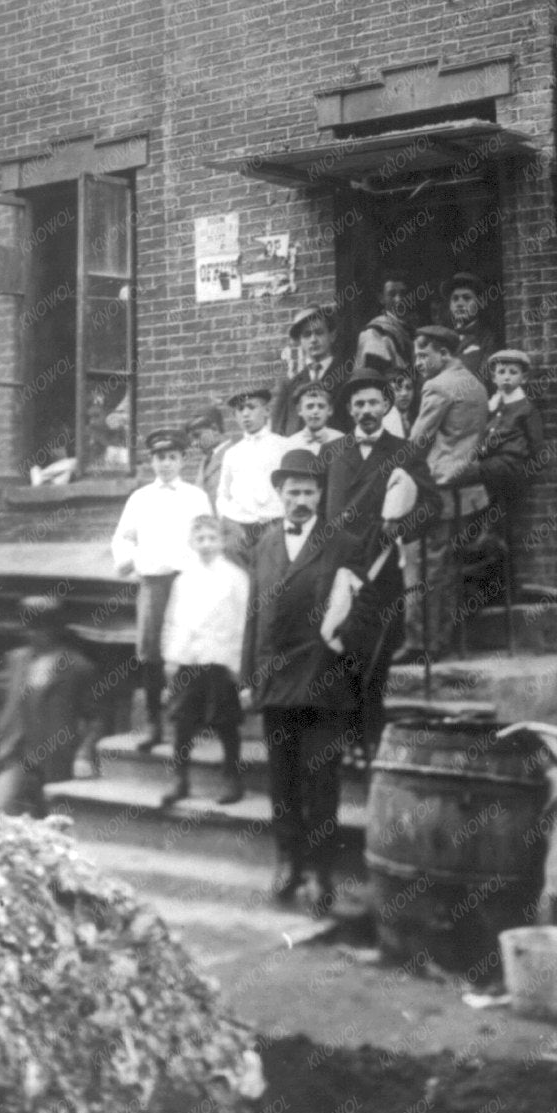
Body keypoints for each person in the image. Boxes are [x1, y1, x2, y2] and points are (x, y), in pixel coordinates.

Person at [242, 449, 365, 913]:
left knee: (321, 783)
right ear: (279, 494)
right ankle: (287, 863)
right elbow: (254, 615)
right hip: (275, 682)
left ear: (320, 495)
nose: (300, 499)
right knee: (282, 782)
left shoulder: (344, 543)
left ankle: (321, 874)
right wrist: (247, 676)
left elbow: (364, 611)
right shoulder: (265, 546)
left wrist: (340, 642)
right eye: (291, 491)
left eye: (308, 491)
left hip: (321, 682)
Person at [321, 370, 439, 762]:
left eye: (373, 402)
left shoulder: (405, 451)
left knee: (375, 656)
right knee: (339, 650)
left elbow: (431, 505)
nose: (366, 410)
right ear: (349, 410)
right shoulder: (333, 454)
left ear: (386, 405)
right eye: (358, 404)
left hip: (380, 569)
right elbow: (320, 513)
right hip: (339, 569)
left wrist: (398, 527)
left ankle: (369, 739)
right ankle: (346, 737)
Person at [111, 430, 211, 752]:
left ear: (182, 460)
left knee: (186, 651)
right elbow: (123, 537)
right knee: (152, 654)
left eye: (172, 457)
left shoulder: (196, 496)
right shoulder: (141, 498)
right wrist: (129, 559)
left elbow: (207, 534)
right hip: (153, 583)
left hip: (187, 582)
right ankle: (155, 725)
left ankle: (188, 723)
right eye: (159, 457)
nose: (166, 464)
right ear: (151, 460)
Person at [397, 325, 489, 661]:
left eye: (424, 354)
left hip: (438, 488)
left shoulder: (437, 386)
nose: (419, 362)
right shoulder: (475, 383)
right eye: (416, 355)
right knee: (448, 568)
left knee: (423, 567)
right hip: (468, 490)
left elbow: (417, 442)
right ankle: (443, 640)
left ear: (444, 353)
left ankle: (420, 644)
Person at [161, 514, 250, 807]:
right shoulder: (185, 580)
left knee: (225, 722)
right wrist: (172, 658)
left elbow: (242, 621)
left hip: (220, 660)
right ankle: (179, 778)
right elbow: (174, 619)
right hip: (189, 659)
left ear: (222, 541)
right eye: (200, 539)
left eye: (212, 538)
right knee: (183, 722)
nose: (207, 544)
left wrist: (238, 663)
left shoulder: (236, 578)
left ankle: (231, 778)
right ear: (191, 542)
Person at [0, 596, 101, 818]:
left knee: (54, 821)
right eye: (29, 627)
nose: (34, 634)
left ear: (56, 629)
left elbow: (97, 717)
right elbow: (3, 704)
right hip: (16, 754)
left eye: (41, 628)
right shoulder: (15, 659)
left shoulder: (78, 667)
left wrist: (85, 753)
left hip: (56, 758)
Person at [215, 388, 287, 566]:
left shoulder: (283, 446)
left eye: (251, 407)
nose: (246, 414)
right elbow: (222, 493)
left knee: (271, 576)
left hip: (273, 524)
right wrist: (228, 519)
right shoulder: (232, 453)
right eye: (240, 410)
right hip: (241, 527)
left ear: (267, 411)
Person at [474, 348, 546, 513]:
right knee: (493, 506)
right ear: (494, 378)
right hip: (493, 463)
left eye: (513, 372)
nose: (506, 377)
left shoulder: (525, 408)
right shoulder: (493, 405)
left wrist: (527, 471)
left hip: (512, 464)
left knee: (477, 476)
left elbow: (537, 445)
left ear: (523, 378)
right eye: (501, 372)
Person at [271, 306, 352, 436]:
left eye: (319, 333)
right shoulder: (290, 386)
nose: (313, 340)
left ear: (332, 336)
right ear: (300, 341)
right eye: (307, 335)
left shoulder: (347, 378)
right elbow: (277, 432)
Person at [442, 271, 500, 380]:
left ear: (479, 304)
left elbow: (485, 377)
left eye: (467, 298)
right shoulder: (443, 337)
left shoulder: (487, 338)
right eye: (455, 299)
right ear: (450, 306)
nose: (460, 304)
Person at [355, 277, 415, 376]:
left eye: (403, 293)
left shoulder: (411, 330)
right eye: (392, 294)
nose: (399, 299)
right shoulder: (375, 332)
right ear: (381, 298)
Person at [187, 405, 232, 509]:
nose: (194, 444)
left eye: (197, 436)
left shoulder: (235, 457)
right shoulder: (206, 459)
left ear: (215, 429)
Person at [287, 383, 343, 453]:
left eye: (321, 406)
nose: (315, 411)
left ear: (330, 410)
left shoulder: (340, 439)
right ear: (299, 410)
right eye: (310, 406)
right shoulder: (291, 443)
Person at [382, 365, 417, 438]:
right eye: (397, 389)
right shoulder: (383, 422)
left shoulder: (418, 417)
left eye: (409, 388)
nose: (404, 393)